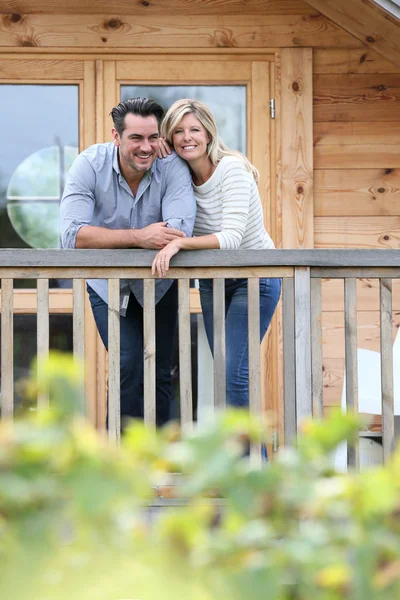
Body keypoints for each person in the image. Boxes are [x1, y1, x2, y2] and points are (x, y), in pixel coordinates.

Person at [60, 97, 196, 428]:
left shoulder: (173, 166)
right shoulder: (89, 165)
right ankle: (120, 464)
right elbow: (71, 236)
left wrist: (125, 237)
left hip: (161, 282)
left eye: (153, 137)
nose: (146, 147)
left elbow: (178, 230)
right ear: (116, 136)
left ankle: (159, 463)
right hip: (108, 286)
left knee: (161, 371)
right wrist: (139, 237)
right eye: (136, 138)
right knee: (128, 363)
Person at [152, 98, 281, 413]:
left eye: (195, 129)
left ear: (209, 134)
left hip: (255, 278)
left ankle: (251, 463)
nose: (187, 138)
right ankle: (249, 460)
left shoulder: (232, 169)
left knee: (235, 378)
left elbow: (232, 238)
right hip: (213, 282)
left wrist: (180, 243)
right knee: (225, 377)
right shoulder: (179, 178)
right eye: (178, 131)